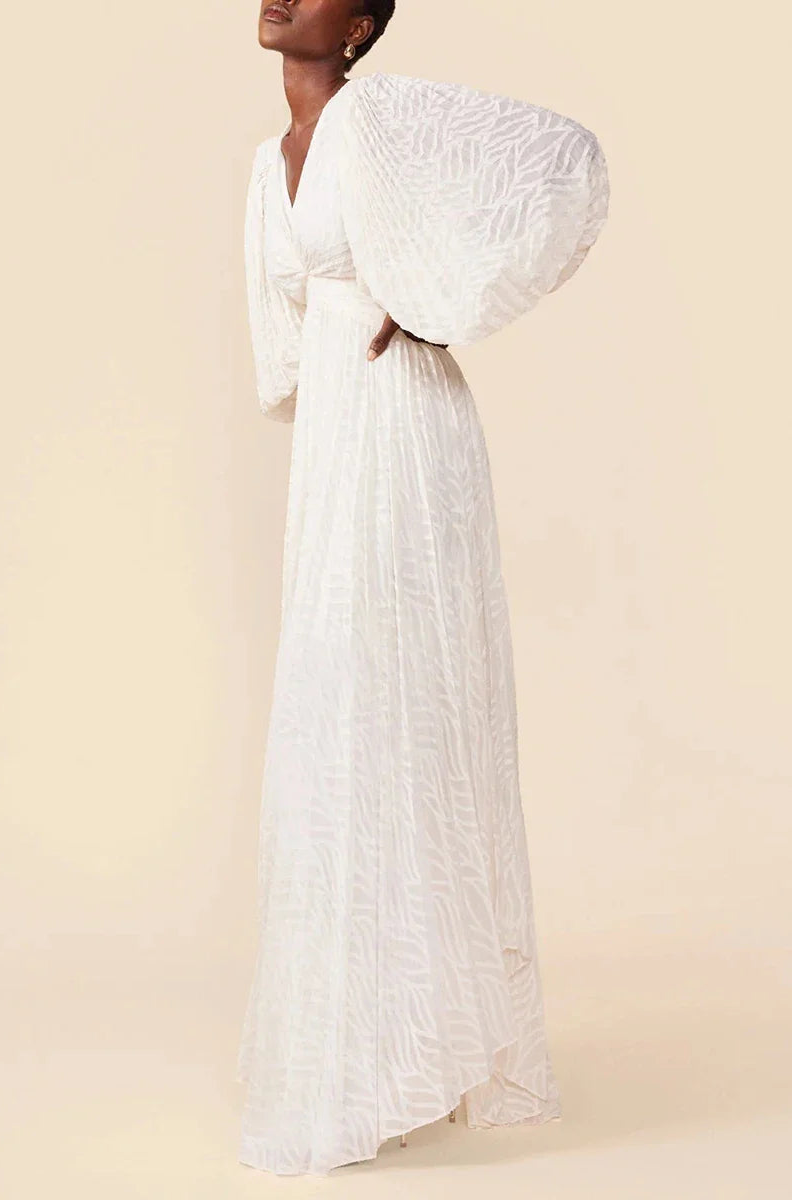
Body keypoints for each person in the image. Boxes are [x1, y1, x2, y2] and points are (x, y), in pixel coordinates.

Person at [236, 0, 609, 1177]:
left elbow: (565, 162)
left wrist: (436, 295)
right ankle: (374, 1053)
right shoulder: (269, 163)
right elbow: (290, 348)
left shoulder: (380, 118)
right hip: (335, 447)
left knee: (403, 716)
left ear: (359, 25)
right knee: (341, 723)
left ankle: (409, 1052)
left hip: (406, 428)